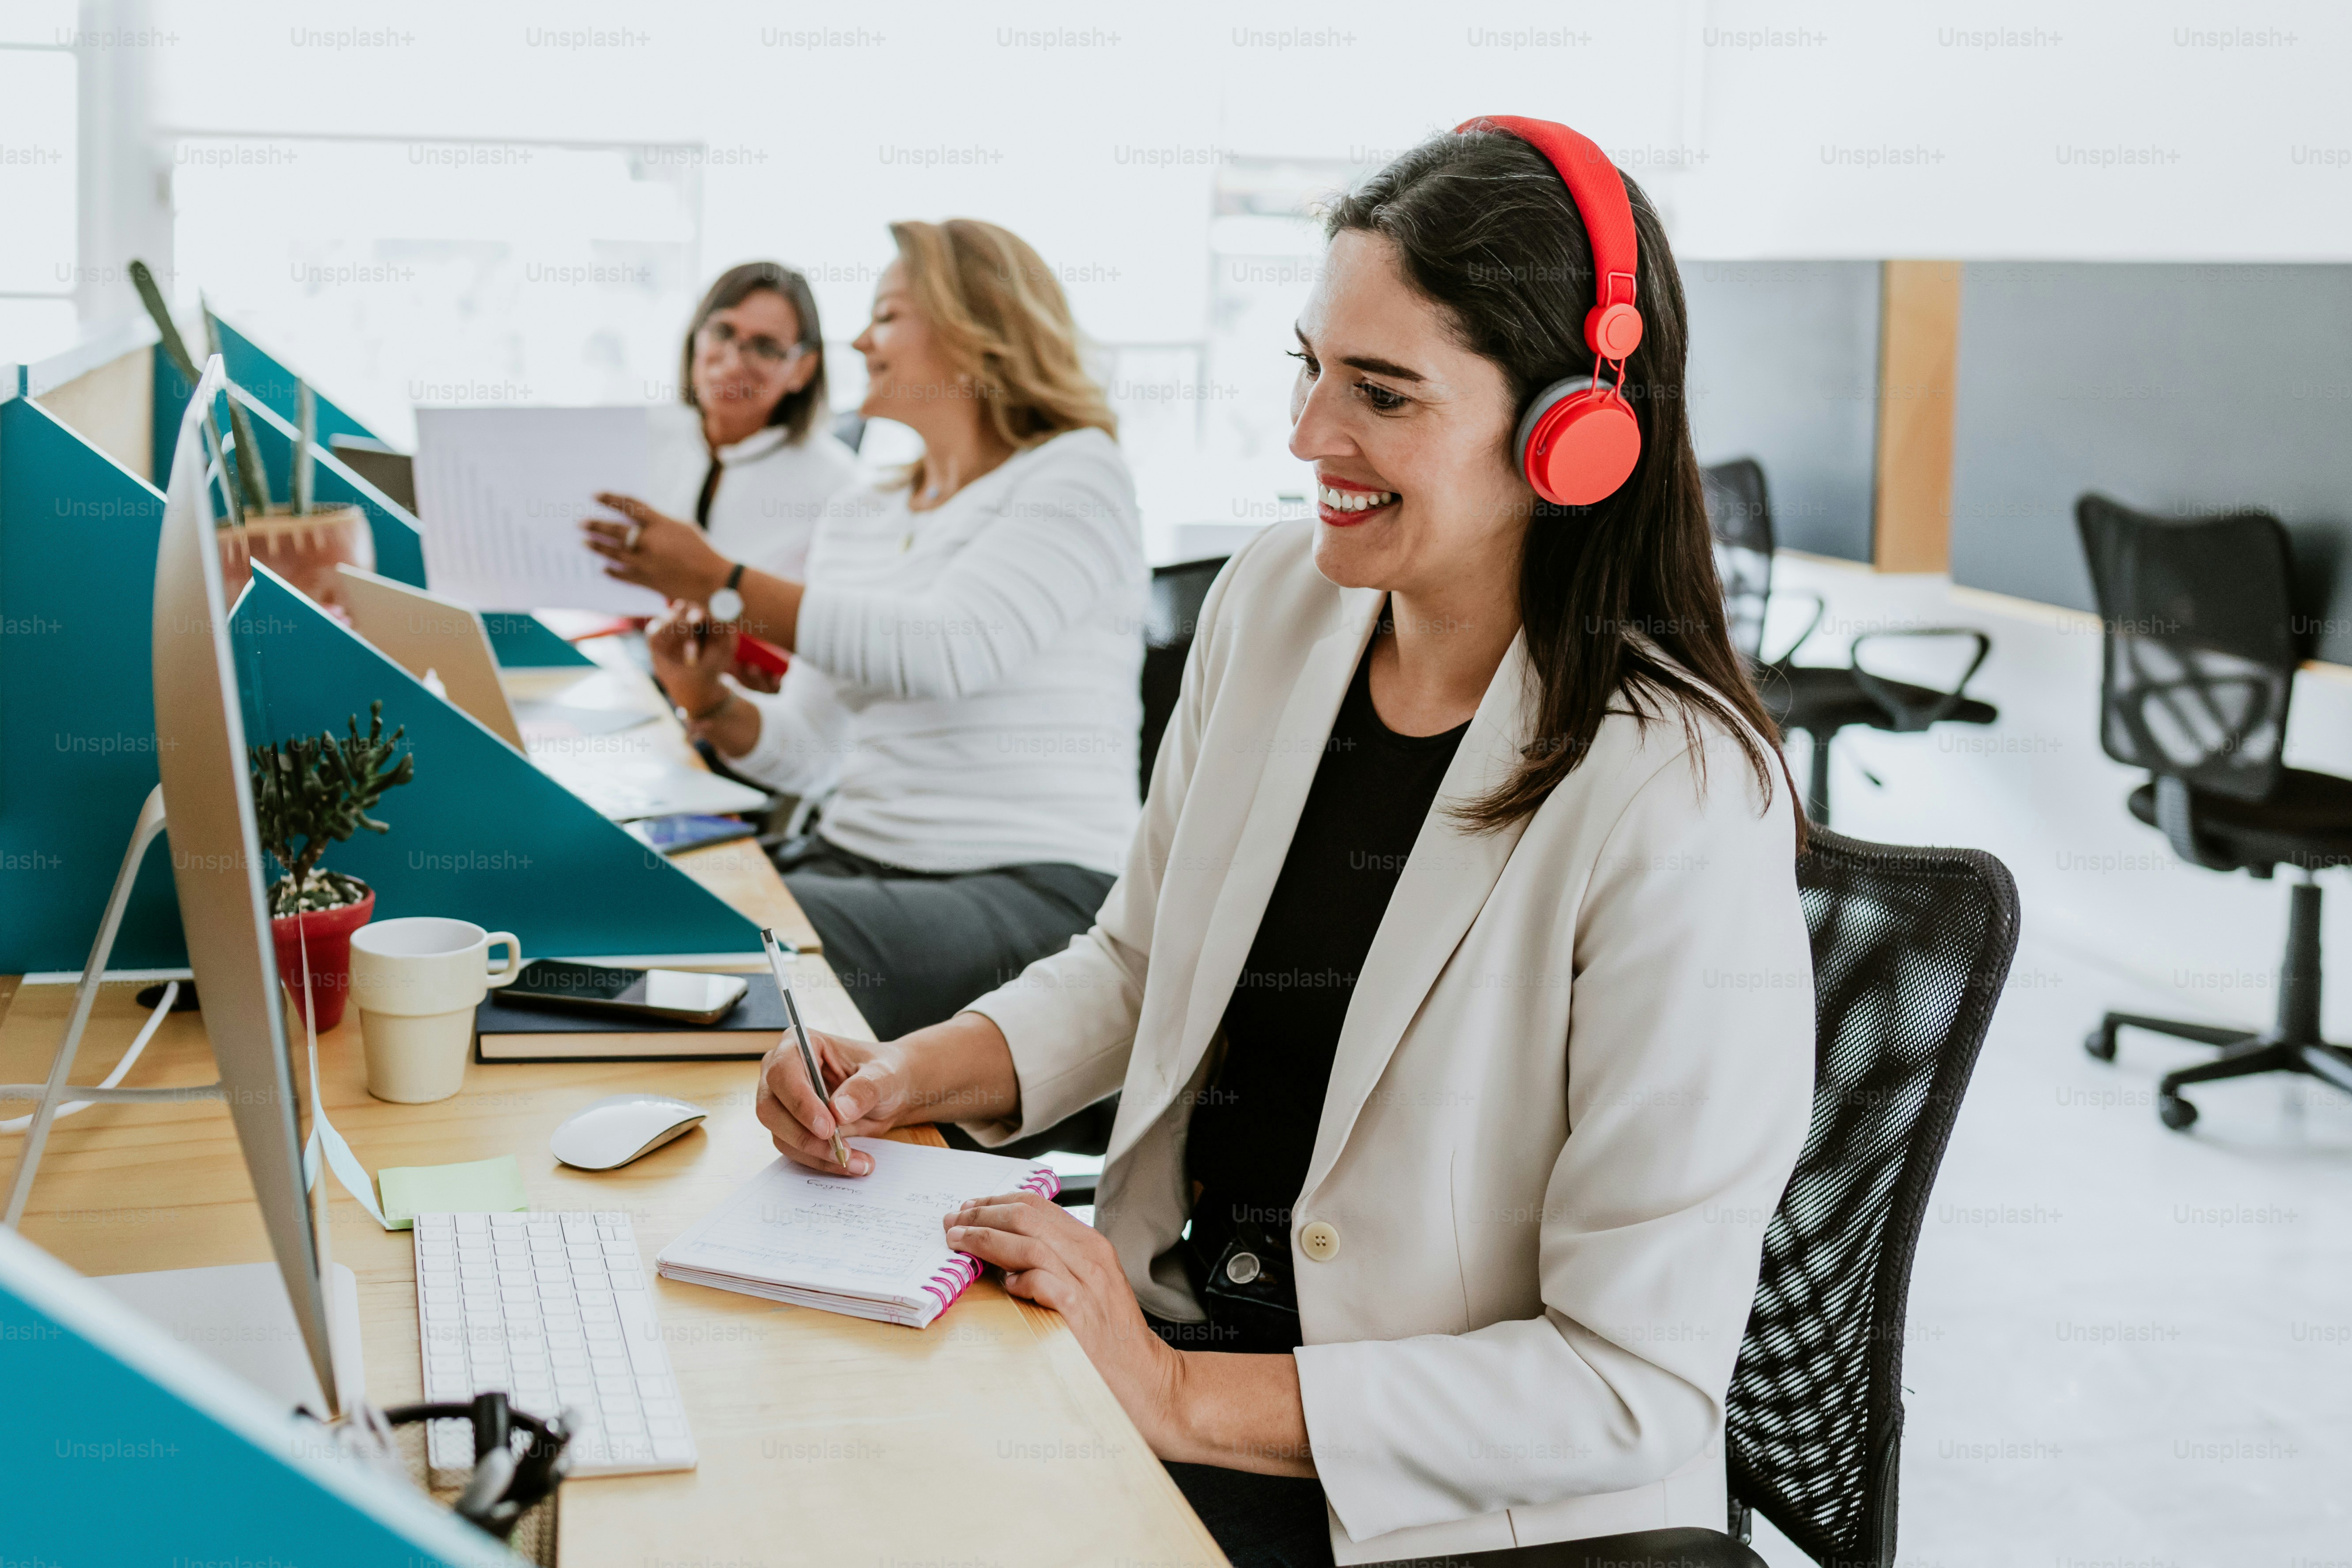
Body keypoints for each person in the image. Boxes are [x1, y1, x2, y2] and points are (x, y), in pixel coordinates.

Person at [751, 120, 1818, 1567]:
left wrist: (1176, 1388)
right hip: (1170, 1344)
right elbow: (1137, 964)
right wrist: (908, 1072)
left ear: (1577, 434)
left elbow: (1624, 1381)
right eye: (1308, 368)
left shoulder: (1677, 795)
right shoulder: (1276, 605)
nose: (1310, 435)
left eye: (1379, 393)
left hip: (1426, 1497)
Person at [584, 220, 1146, 1047]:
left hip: (1037, 888)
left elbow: (947, 649)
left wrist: (720, 581)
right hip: (855, 862)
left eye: (885, 316)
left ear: (974, 330)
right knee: (640, 898)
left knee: (730, 948)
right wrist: (706, 698)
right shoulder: (861, 513)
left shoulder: (1076, 472)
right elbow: (808, 753)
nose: (858, 341)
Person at [640, 261, 859, 580]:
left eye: (765, 348)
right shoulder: (641, 437)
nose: (733, 364)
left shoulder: (840, 486)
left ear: (804, 368)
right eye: (722, 332)